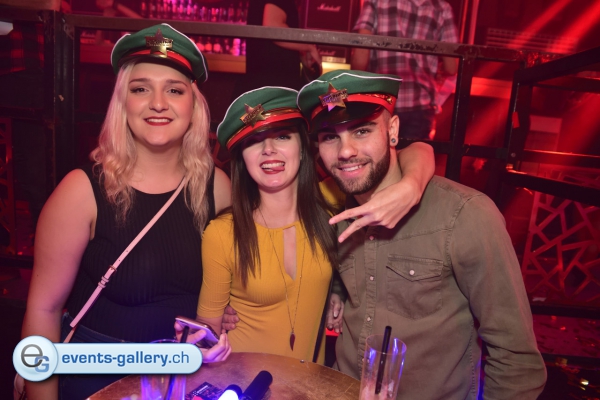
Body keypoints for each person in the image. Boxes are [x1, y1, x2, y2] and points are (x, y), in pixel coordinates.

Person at [297, 70, 547, 399]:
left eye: (361, 131)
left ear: (393, 131)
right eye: (330, 137)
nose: (345, 151)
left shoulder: (464, 215)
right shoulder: (334, 210)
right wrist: (337, 290)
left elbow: (517, 361)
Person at [20, 24, 232, 400]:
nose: (158, 103)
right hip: (97, 379)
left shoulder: (216, 187)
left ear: (194, 105)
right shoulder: (81, 191)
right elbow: (44, 310)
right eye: (140, 89)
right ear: (123, 104)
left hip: (181, 382)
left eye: (174, 90)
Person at [198, 86, 436, 362]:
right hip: (242, 378)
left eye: (283, 136)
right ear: (242, 158)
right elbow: (206, 333)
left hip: (310, 381)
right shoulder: (223, 233)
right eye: (254, 141)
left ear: (303, 149)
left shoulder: (329, 202)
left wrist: (411, 186)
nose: (269, 150)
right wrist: (204, 348)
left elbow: (418, 150)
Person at [351, 0, 459, 140]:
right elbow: (452, 67)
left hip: (382, 100)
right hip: (421, 104)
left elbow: (360, 58)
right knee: (415, 153)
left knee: (380, 152)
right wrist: (439, 69)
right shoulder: (441, 7)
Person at [232, 0, 322, 98]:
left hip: (264, 86)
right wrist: (308, 47)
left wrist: (301, 51)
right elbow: (272, 27)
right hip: (275, 88)